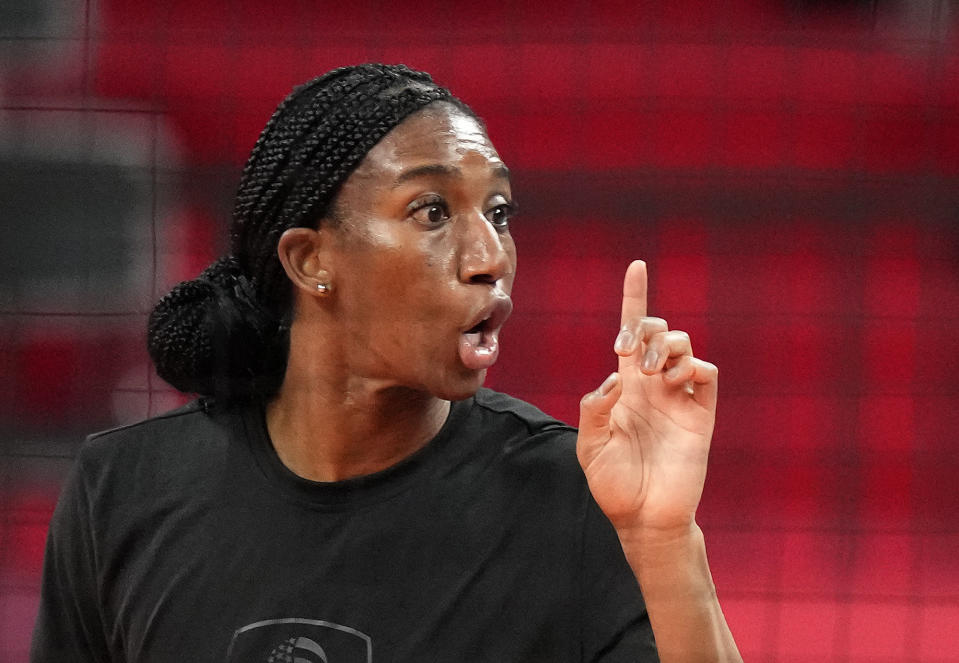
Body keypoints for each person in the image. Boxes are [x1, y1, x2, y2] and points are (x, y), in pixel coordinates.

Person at [31, 64, 742, 662]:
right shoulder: (123, 488)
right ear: (311, 259)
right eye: (432, 211)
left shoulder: (577, 496)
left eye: (497, 212)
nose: (488, 257)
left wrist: (662, 538)